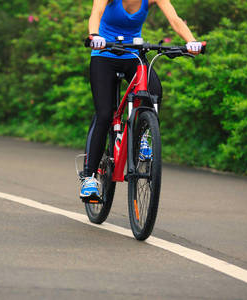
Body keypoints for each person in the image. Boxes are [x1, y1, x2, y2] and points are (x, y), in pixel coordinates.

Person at [80, 0, 202, 201]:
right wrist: (94, 35)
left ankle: (143, 136)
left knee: (154, 90)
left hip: (132, 56)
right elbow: (96, 12)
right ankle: (89, 177)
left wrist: (191, 40)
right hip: (104, 54)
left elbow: (174, 19)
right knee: (104, 114)